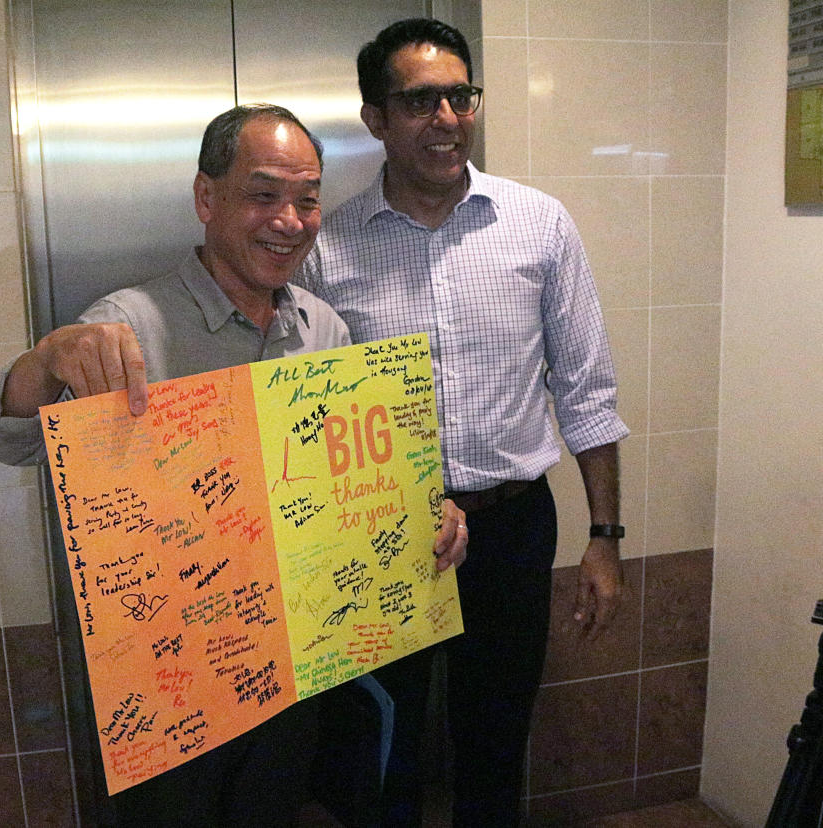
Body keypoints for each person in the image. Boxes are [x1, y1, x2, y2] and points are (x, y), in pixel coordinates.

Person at [0, 104, 467, 826]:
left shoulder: (320, 327)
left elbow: (339, 486)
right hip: (167, 693)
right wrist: (47, 362)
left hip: (289, 676)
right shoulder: (129, 325)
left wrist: (425, 507)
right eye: (263, 195)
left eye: (306, 199)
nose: (289, 221)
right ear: (208, 199)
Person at [293, 18, 631, 828]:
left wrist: (605, 537)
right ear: (376, 117)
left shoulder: (538, 224)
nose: (445, 118)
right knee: (384, 748)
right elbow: (303, 412)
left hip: (511, 527)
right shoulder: (327, 250)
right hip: (376, 537)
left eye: (459, 96)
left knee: (495, 745)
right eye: (418, 101)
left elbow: (586, 387)